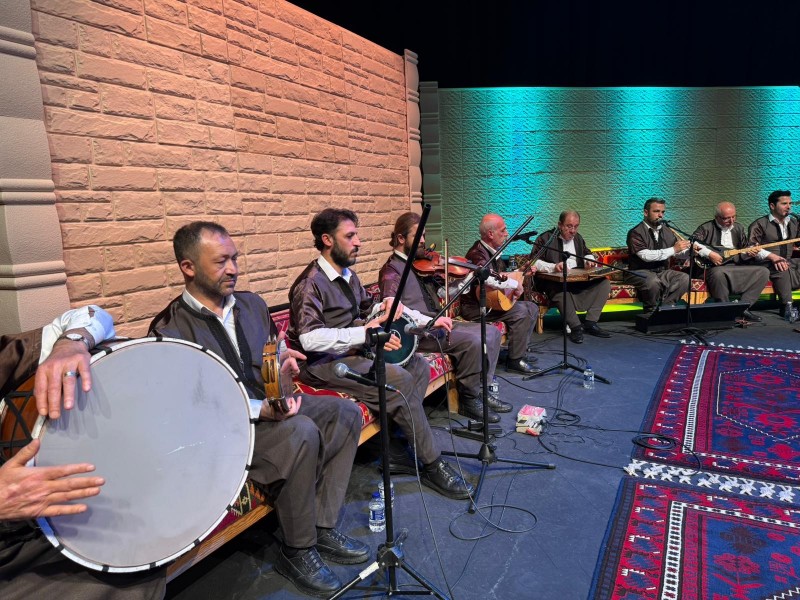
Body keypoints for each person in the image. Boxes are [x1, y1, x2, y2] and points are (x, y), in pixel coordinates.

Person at [149, 222, 367, 598]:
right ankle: (297, 550)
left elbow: (269, 361)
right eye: (221, 261)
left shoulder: (252, 305)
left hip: (269, 409)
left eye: (234, 259)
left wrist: (281, 373)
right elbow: (188, 409)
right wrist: (260, 409)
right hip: (222, 431)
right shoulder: (169, 331)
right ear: (188, 267)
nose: (233, 269)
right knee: (301, 432)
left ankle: (321, 525)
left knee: (344, 414)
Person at [287, 208, 474, 501]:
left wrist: (417, 317)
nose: (358, 242)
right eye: (350, 236)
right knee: (398, 379)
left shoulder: (348, 276)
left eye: (357, 235)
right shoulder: (310, 283)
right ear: (327, 240)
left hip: (353, 351)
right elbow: (309, 339)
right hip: (321, 363)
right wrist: (365, 334)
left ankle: (395, 448)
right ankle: (432, 463)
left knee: (417, 366)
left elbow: (370, 309)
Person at [0, 307, 166, 600]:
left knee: (133, 561)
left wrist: (71, 343)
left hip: (35, 528)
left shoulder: (8, 355)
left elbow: (93, 315)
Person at [378, 212, 509, 424]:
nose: (423, 240)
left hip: (437, 322)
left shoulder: (418, 264)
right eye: (418, 235)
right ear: (400, 238)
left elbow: (440, 293)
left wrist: (465, 280)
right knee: (473, 341)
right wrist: (429, 321)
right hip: (419, 332)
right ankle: (469, 399)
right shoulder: (391, 270)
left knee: (492, 332)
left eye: (424, 235)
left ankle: (482, 390)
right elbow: (394, 309)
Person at [462, 214, 539, 374]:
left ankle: (517, 351)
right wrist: (515, 284)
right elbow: (489, 278)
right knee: (521, 311)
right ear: (490, 234)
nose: (507, 234)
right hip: (476, 308)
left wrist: (520, 272)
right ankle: (515, 360)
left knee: (532, 307)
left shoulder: (492, 251)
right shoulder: (477, 254)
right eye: (503, 230)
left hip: (490, 302)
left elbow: (501, 276)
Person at [531, 210, 612, 343]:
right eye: (569, 226)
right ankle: (575, 327)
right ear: (560, 225)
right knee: (559, 290)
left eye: (576, 226)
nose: (573, 231)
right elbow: (534, 261)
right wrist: (554, 266)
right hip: (555, 282)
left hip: (577, 280)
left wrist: (588, 260)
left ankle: (591, 322)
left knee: (604, 283)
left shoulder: (578, 238)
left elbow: (586, 252)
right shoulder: (545, 238)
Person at [693, 201, 770, 321]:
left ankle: (742, 307)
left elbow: (743, 249)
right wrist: (709, 254)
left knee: (763, 271)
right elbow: (692, 244)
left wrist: (749, 252)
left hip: (735, 266)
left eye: (734, 217)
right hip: (714, 268)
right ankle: (725, 311)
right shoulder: (706, 228)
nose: (731, 221)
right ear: (717, 217)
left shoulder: (738, 228)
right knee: (718, 273)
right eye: (726, 218)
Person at [624, 197, 691, 313]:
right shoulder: (635, 232)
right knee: (652, 281)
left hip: (661, 271)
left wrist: (690, 251)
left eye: (662, 212)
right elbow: (646, 256)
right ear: (646, 212)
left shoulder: (668, 231)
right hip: (639, 271)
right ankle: (651, 311)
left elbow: (678, 253)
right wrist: (674, 249)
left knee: (684, 278)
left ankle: (666, 308)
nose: (660, 215)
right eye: (656, 211)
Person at [748, 190, 800, 318]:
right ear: (772, 206)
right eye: (784, 204)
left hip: (786, 261)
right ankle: (786, 306)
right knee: (781, 267)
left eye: (790, 203)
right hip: (765, 263)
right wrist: (773, 257)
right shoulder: (759, 224)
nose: (789, 207)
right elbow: (752, 248)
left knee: (788, 264)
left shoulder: (794, 222)